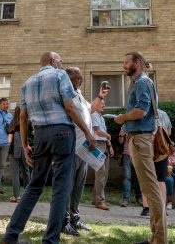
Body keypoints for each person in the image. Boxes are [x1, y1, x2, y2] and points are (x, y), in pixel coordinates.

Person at [1, 52, 96, 244]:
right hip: (62, 134)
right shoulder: (60, 75)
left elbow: (22, 117)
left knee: (34, 185)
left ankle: (10, 236)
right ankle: (51, 240)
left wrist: (26, 144)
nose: (61, 63)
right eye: (60, 60)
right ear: (53, 61)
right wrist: (87, 132)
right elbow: (69, 106)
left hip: (41, 135)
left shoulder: (27, 82)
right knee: (61, 187)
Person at [115, 51, 167, 244]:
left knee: (151, 190)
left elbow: (142, 111)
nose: (123, 66)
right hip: (138, 139)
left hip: (141, 140)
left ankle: (159, 239)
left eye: (126, 62)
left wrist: (123, 117)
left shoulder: (142, 82)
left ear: (136, 63)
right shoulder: (140, 82)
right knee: (149, 189)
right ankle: (155, 237)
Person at [62, 66, 101, 236]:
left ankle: (75, 219)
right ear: (69, 79)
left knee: (78, 186)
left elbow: (90, 109)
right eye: (78, 77)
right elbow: (70, 112)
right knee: (67, 187)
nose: (81, 80)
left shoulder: (79, 94)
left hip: (83, 149)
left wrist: (100, 96)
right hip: (71, 147)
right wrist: (87, 132)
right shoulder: (65, 94)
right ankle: (63, 221)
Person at [141, 108, 170, 217]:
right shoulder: (163, 114)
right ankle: (162, 208)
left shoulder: (142, 112)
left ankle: (146, 208)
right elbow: (168, 133)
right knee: (161, 180)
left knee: (146, 178)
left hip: (146, 150)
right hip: (161, 151)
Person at [91, 95, 114, 210]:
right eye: (102, 103)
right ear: (96, 105)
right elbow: (98, 132)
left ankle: (96, 198)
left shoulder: (101, 117)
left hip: (104, 145)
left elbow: (103, 132)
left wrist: (110, 145)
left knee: (103, 174)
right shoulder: (94, 115)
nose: (104, 105)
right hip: (97, 145)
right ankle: (100, 201)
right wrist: (108, 135)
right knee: (101, 173)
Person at [8, 106, 30, 203]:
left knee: (15, 173)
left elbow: (10, 140)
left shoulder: (12, 124)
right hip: (25, 150)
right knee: (26, 171)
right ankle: (28, 195)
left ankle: (16, 197)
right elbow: (35, 133)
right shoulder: (28, 123)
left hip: (13, 151)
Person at [119, 125, 143, 207]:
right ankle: (125, 199)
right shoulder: (125, 126)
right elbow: (120, 141)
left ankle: (139, 198)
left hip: (138, 155)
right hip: (127, 154)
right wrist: (121, 135)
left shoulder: (141, 124)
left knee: (139, 177)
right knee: (127, 177)